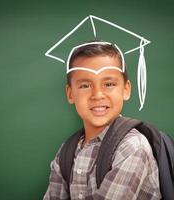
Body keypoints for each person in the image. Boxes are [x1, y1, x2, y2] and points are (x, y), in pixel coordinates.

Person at [43, 42, 161, 199]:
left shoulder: (132, 147)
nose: (98, 94)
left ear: (126, 90)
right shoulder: (67, 152)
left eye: (109, 84)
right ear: (70, 94)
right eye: (85, 85)